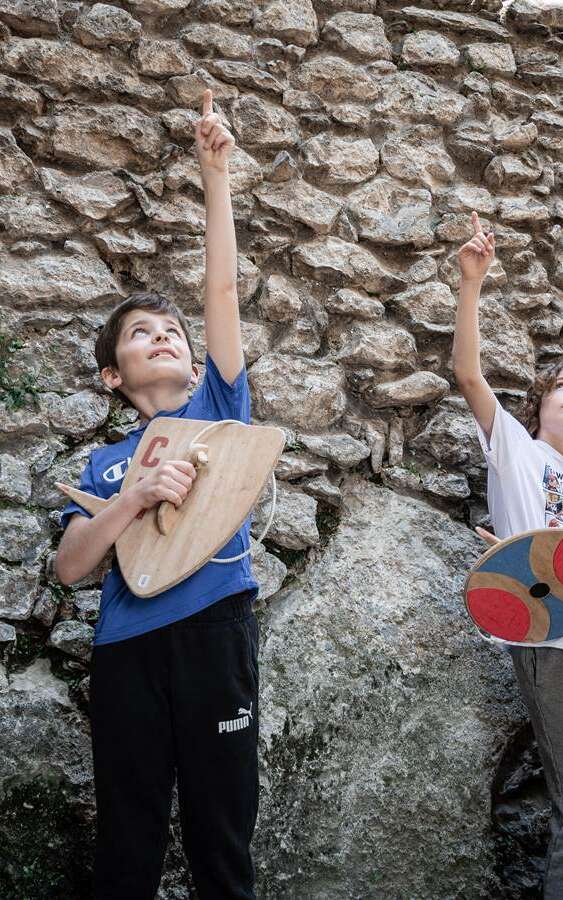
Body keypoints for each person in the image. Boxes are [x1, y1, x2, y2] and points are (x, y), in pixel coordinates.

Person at [55, 89, 260, 900]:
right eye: (140, 334)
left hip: (216, 632)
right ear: (113, 376)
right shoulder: (104, 462)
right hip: (126, 653)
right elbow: (72, 568)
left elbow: (222, 295)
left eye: (168, 329)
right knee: (128, 840)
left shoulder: (220, 409)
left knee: (222, 837)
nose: (163, 336)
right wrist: (134, 496)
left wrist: (216, 179)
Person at [453, 211, 563, 899]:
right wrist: (471, 286)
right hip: (547, 637)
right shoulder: (517, 453)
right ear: (540, 405)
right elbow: (466, 373)